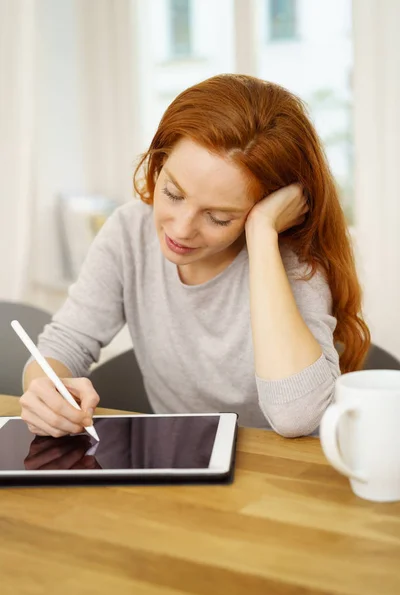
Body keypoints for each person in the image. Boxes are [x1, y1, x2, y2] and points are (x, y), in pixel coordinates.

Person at [20, 74, 370, 439]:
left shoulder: (294, 261)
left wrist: (263, 233)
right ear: (158, 162)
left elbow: (299, 417)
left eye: (219, 217)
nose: (182, 229)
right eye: (172, 193)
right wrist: (46, 389)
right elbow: (66, 343)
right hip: (185, 467)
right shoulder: (129, 233)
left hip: (283, 477)